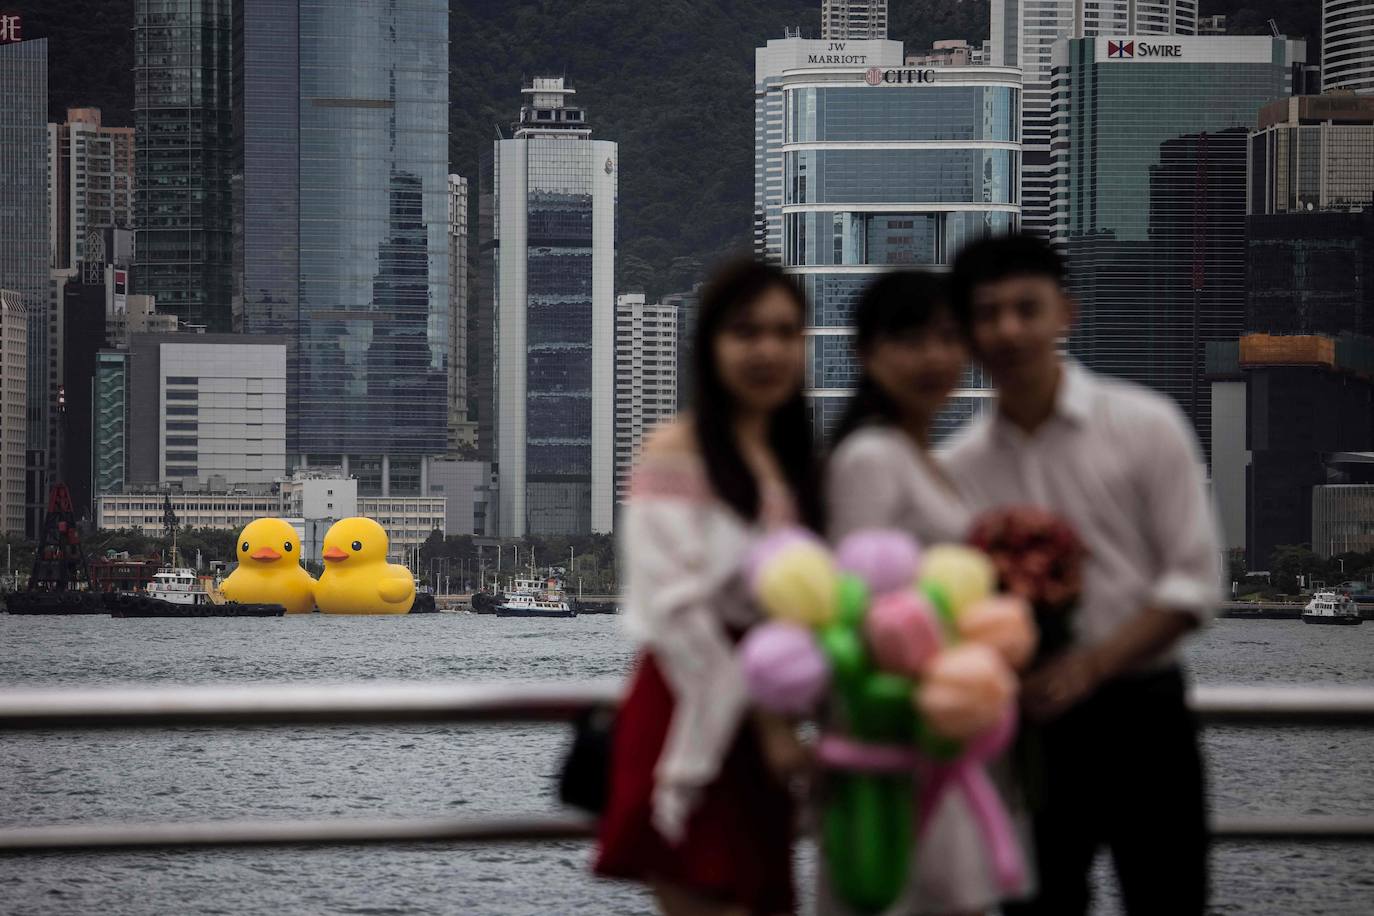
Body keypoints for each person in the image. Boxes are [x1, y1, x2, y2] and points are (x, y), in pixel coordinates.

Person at [944, 234, 1221, 915]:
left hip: (1143, 714)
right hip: (1025, 729)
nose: (1008, 329)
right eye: (988, 313)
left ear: (1065, 313)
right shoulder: (956, 471)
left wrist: (1091, 666)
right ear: (966, 332)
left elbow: (1195, 580)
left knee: (1170, 898)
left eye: (1026, 308)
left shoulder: (1147, 425)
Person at [595, 259, 823, 916]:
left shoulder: (790, 462)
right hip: (688, 708)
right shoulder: (674, 450)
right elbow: (674, 610)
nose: (768, 350)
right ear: (710, 346)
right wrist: (772, 722)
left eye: (786, 332)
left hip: (763, 727)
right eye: (746, 332)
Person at [824, 270, 1029, 916]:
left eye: (947, 338)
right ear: (866, 353)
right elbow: (859, 608)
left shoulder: (934, 465)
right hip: (894, 758)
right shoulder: (871, 459)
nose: (934, 357)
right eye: (910, 340)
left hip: (936, 745)